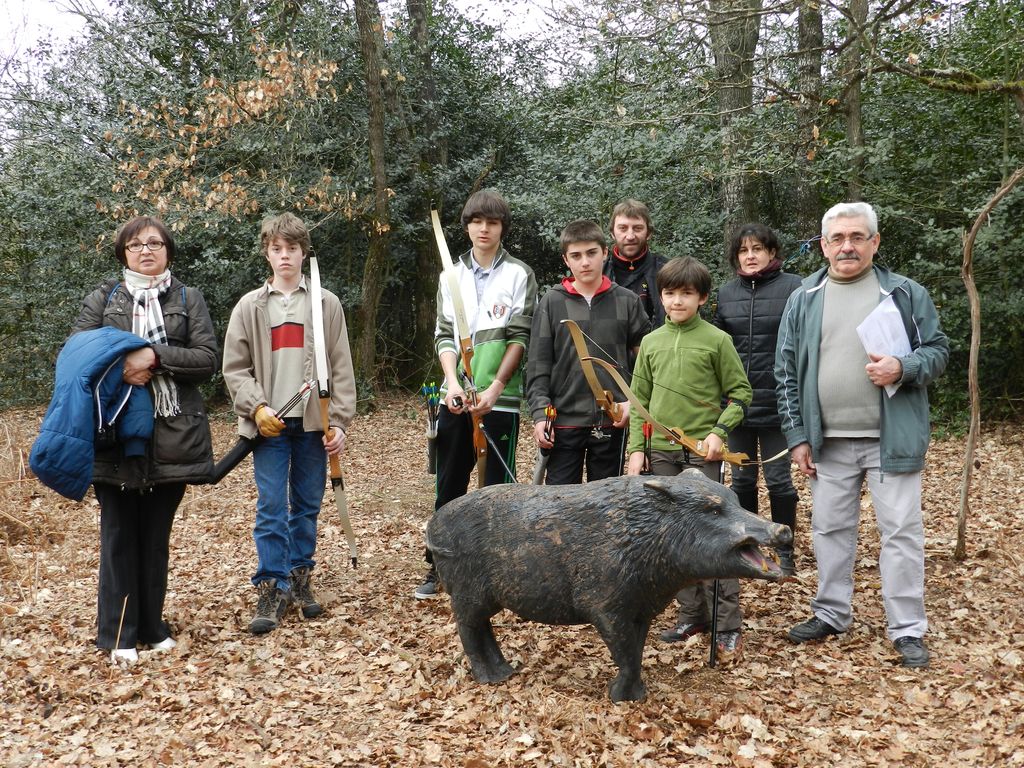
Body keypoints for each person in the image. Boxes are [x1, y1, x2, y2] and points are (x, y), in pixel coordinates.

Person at [775, 201, 948, 669]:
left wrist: (903, 366)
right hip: (827, 439)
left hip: (891, 438)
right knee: (829, 529)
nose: (847, 246)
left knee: (902, 534)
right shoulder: (804, 297)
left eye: (857, 237)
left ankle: (908, 629)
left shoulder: (905, 293)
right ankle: (832, 613)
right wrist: (797, 435)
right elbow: (786, 371)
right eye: (838, 238)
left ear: (875, 242)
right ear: (824, 245)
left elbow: (937, 351)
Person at [70, 215, 219, 665]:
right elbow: (78, 355)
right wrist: (123, 365)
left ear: (168, 251)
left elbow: (206, 358)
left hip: (172, 434)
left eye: (155, 243)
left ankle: (153, 628)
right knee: (118, 533)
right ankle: (117, 634)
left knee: (155, 535)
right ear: (124, 254)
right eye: (136, 245)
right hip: (111, 434)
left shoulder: (189, 299)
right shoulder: (103, 299)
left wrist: (153, 355)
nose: (146, 250)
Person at [223, 212, 356, 635]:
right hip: (269, 428)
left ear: (304, 253)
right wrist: (256, 407)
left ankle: (300, 578)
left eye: (292, 249)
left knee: (306, 506)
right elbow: (236, 369)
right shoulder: (250, 306)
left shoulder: (324, 303)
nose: (285, 256)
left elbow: (340, 366)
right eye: (277, 249)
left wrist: (339, 422)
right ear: (267, 252)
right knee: (271, 508)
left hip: (314, 425)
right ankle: (271, 586)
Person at [625, 256, 752, 663]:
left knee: (714, 537)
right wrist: (636, 449)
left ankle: (726, 624)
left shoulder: (717, 340)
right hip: (661, 453)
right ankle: (690, 614)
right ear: (660, 296)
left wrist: (718, 432)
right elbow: (638, 402)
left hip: (703, 456)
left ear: (702, 298)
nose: (676, 301)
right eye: (669, 293)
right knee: (670, 539)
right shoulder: (651, 342)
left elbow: (740, 394)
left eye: (686, 294)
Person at [415, 189, 538, 599]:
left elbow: (520, 337)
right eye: (477, 222)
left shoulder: (519, 274)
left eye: (492, 222)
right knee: (449, 484)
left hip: (499, 400)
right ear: (467, 226)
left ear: (502, 227)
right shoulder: (450, 277)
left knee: (496, 489)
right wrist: (451, 382)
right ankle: (440, 566)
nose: (484, 229)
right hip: (456, 399)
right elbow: (444, 335)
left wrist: (497, 386)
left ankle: (493, 572)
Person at [526, 219, 650, 484]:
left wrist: (633, 403)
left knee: (607, 508)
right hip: (562, 423)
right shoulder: (552, 301)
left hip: (612, 419)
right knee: (559, 505)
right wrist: (540, 415)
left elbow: (647, 364)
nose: (585, 262)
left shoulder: (626, 300)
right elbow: (538, 366)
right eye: (576, 255)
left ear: (605, 253)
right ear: (566, 260)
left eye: (592, 253)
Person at [712, 223, 803, 573]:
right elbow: (717, 347)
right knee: (743, 480)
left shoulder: (794, 288)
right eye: (744, 250)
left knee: (779, 479)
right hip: (736, 405)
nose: (750, 256)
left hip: (779, 401)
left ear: (771, 252)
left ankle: (785, 547)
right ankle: (747, 544)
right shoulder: (727, 292)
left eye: (757, 249)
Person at [603, 199, 668, 325]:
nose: (630, 236)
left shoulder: (667, 271)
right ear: (612, 233)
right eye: (623, 228)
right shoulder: (598, 273)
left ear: (648, 233)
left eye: (637, 228)